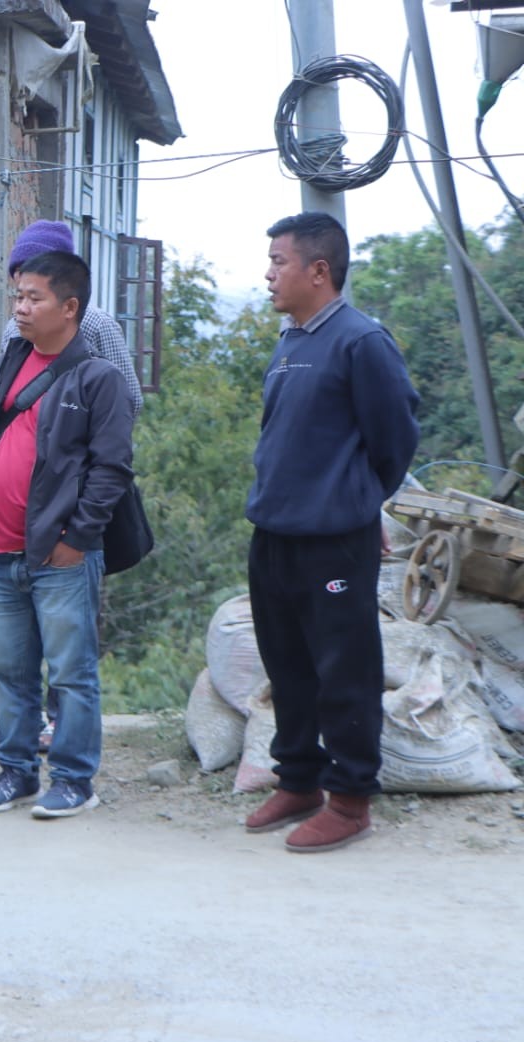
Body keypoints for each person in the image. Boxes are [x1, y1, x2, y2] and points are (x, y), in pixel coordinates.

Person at [243, 212, 420, 853]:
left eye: (279, 261)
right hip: (275, 533)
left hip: (334, 537)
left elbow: (395, 438)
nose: (268, 274)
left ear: (318, 271)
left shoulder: (361, 341)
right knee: (287, 665)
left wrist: (361, 503)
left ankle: (349, 800)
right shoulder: (291, 341)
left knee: (345, 668)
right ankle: (299, 781)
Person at [0, 250, 133, 819]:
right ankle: (15, 773)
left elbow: (111, 470)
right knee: (10, 671)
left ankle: (74, 780)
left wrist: (77, 539)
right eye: (18, 296)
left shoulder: (98, 378)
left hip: (59, 558)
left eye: (34, 298)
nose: (21, 308)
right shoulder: (9, 362)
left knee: (70, 673)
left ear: (69, 307)